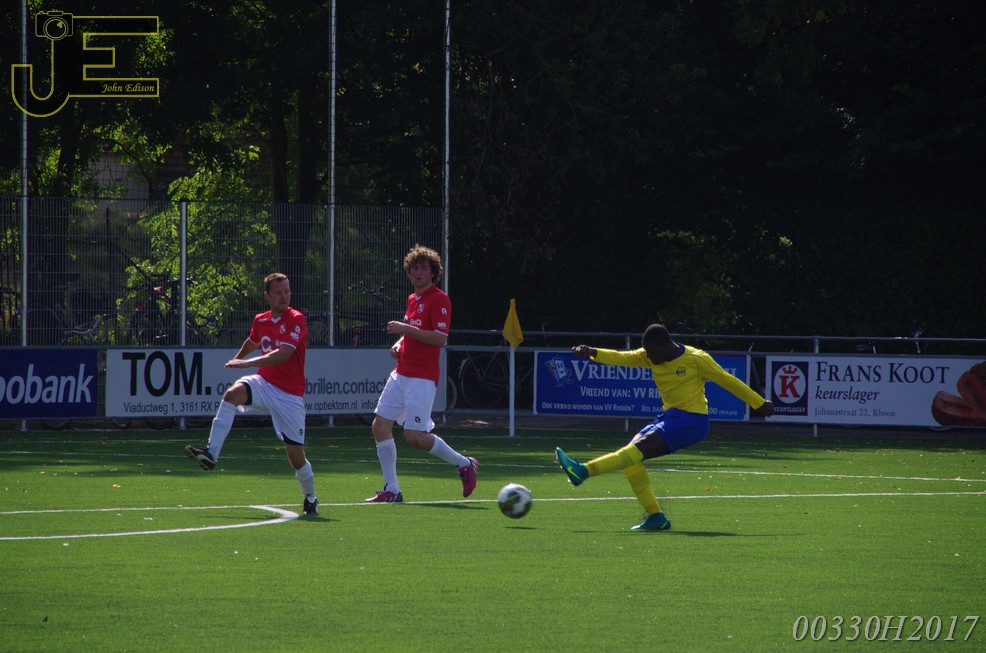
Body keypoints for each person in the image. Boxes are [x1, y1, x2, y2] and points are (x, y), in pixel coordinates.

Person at [555, 323, 774, 531]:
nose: (648, 356)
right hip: (669, 418)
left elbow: (727, 380)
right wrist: (592, 352)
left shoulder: (697, 359)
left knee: (633, 452)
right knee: (631, 459)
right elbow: (622, 357)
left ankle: (583, 471)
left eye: (651, 351)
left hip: (691, 421)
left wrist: (759, 403)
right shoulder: (650, 355)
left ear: (665, 345)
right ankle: (656, 517)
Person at [185, 273, 318, 516]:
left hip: (289, 395)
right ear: (267, 296)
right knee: (231, 395)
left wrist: (245, 363)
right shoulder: (261, 319)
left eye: (287, 291)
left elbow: (284, 354)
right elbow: (253, 340)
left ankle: (310, 496)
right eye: (278, 293)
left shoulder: (296, 319)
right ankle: (211, 453)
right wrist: (238, 358)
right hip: (264, 382)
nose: (284, 297)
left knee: (296, 457)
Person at [365, 244, 478, 503]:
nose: (418, 272)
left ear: (433, 272)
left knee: (414, 437)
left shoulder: (439, 299)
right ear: (409, 272)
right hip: (401, 372)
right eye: (414, 268)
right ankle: (392, 489)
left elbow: (439, 338)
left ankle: (464, 463)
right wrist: (400, 343)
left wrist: (404, 329)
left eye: (423, 268)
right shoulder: (413, 299)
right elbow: (412, 332)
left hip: (422, 377)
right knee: (380, 426)